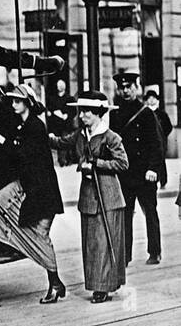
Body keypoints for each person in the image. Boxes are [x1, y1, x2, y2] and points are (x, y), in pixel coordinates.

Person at [0, 83, 66, 303]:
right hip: (31, 187)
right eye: (12, 101)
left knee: (41, 237)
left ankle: (55, 283)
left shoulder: (35, 126)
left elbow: (23, 155)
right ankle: (11, 242)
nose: (13, 105)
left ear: (28, 103)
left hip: (42, 191)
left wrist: (1, 140)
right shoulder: (25, 125)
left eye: (18, 101)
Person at [51, 90, 130, 303]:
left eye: (86, 111)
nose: (82, 115)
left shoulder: (110, 137)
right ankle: (97, 285)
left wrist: (97, 163)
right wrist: (40, 131)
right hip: (88, 198)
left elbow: (123, 164)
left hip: (109, 198)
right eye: (81, 111)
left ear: (97, 113)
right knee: (91, 245)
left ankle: (103, 288)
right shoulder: (80, 135)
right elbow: (59, 142)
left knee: (104, 244)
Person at [111, 70, 166, 266]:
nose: (125, 91)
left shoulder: (146, 113)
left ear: (137, 88)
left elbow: (156, 144)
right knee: (125, 215)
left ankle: (154, 251)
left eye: (129, 87)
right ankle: (125, 255)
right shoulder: (114, 113)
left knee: (149, 211)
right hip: (125, 173)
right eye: (122, 88)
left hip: (144, 173)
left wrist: (153, 169)